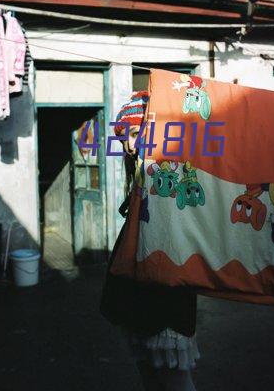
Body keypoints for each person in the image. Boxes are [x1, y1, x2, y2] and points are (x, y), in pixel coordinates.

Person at [100, 91, 200, 391]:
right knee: (151, 376)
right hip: (139, 294)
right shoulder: (141, 178)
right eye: (124, 138)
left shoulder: (174, 176)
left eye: (135, 132)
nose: (130, 145)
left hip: (166, 295)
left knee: (175, 379)